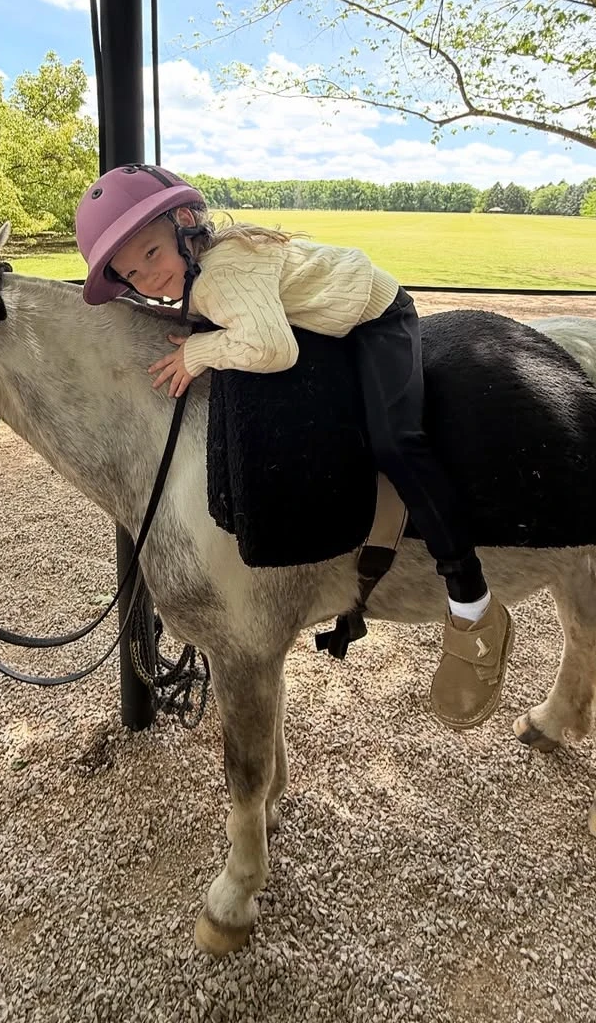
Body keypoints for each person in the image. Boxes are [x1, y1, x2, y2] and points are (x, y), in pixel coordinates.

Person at [74, 163, 513, 730]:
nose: (147, 279)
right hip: (319, 318)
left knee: (397, 443)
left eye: (151, 254)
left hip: (374, 315)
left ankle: (470, 598)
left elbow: (272, 348)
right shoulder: (204, 267)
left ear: (185, 223)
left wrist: (198, 354)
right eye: (131, 274)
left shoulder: (216, 276)